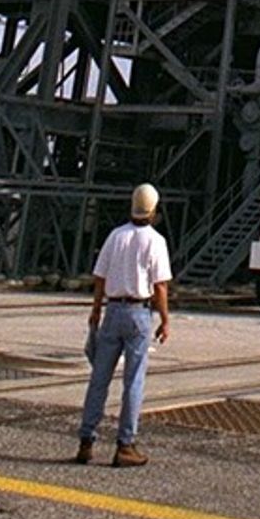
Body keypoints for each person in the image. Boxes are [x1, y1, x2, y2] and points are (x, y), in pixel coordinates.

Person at [76, 183, 172, 467]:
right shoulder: (155, 241)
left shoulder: (115, 236)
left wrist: (95, 311)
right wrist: (165, 320)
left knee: (99, 379)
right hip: (138, 313)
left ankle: (86, 440)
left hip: (111, 310)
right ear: (154, 210)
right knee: (133, 382)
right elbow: (161, 287)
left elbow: (100, 278)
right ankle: (125, 445)